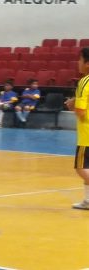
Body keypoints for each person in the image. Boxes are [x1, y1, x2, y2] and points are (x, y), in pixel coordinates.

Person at [65, 47, 89, 210]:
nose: (78, 63)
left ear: (87, 63)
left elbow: (81, 112)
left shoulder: (84, 81)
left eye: (80, 60)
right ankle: (88, 201)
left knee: (81, 167)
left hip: (87, 134)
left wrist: (71, 106)